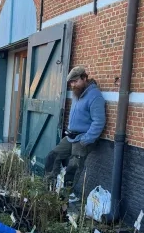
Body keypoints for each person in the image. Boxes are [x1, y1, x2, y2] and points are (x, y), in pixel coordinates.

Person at [44, 66, 106, 202]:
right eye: (71, 82)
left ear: (84, 78)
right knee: (52, 156)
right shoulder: (77, 93)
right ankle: (49, 188)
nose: (73, 85)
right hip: (71, 136)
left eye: (75, 81)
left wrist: (86, 140)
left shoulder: (95, 96)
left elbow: (99, 121)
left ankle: (65, 196)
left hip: (83, 138)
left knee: (73, 167)